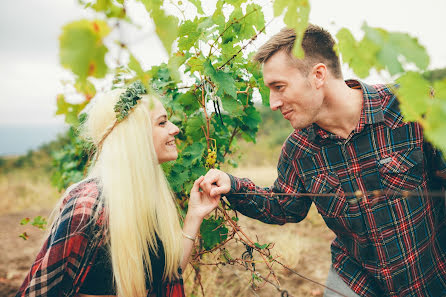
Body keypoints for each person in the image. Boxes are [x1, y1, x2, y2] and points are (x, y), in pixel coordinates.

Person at [200, 25, 446, 297]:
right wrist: (232, 186)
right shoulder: (299, 150)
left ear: (318, 75)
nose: (273, 103)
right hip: (356, 282)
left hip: (431, 274)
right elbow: (284, 206)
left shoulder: (410, 107)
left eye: (279, 87)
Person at [16, 81, 220, 297]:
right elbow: (39, 290)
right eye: (162, 123)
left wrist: (194, 215)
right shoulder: (90, 203)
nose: (175, 129)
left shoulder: (150, 196)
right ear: (135, 135)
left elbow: (167, 275)